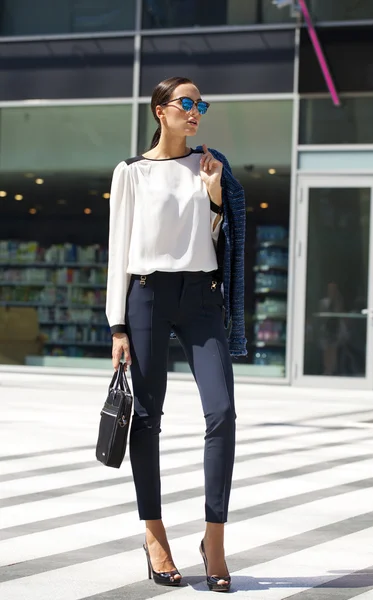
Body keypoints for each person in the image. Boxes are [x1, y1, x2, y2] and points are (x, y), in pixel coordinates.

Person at [106, 76, 246, 592]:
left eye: (201, 104)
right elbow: (118, 247)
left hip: (202, 298)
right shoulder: (132, 173)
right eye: (187, 103)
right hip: (145, 295)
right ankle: (155, 534)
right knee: (146, 418)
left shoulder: (211, 165)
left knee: (223, 412)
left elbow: (220, 239)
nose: (196, 111)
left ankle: (214, 539)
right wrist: (116, 323)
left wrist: (213, 196)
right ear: (160, 110)